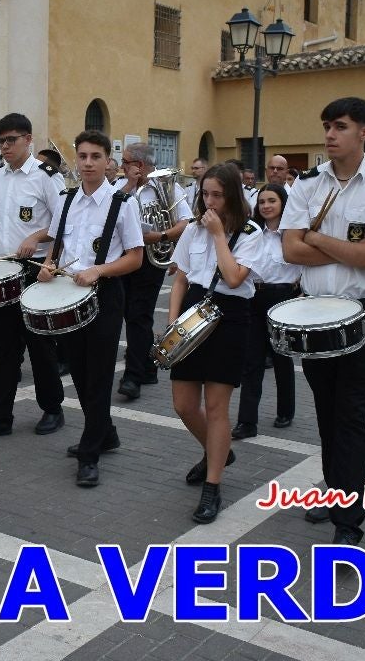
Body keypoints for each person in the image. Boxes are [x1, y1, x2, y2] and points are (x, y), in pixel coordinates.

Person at [280, 97, 365, 545]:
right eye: (326, 126)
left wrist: (317, 238)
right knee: (326, 412)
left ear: (364, 133)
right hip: (314, 315)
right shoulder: (307, 183)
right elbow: (290, 250)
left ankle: (348, 521)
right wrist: (349, 249)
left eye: (340, 126)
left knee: (352, 414)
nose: (329, 134)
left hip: (361, 314)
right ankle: (336, 492)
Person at [38, 129, 143, 486]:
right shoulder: (67, 200)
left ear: (108, 161)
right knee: (80, 372)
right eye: (82, 156)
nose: (87, 163)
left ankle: (89, 453)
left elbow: (135, 258)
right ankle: (105, 432)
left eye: (95, 157)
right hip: (68, 294)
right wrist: (48, 266)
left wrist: (99, 270)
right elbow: (56, 248)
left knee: (98, 375)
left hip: (106, 294)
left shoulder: (123, 203)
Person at [168, 163, 262, 523]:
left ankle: (213, 485)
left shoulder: (250, 231)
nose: (210, 201)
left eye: (218, 195)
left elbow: (235, 278)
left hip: (230, 316)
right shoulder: (193, 229)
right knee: (183, 404)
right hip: (193, 312)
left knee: (217, 406)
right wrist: (172, 323)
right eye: (205, 194)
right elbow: (180, 279)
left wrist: (220, 235)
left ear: (232, 196)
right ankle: (219, 451)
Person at [0, 113, 67, 440]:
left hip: (35, 269)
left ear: (28, 139)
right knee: (3, 347)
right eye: (0, 142)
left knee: (39, 344)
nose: (5, 147)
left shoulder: (46, 176)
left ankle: (52, 408)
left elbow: (64, 222)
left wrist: (36, 237)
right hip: (3, 266)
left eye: (11, 140)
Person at [116, 142, 192, 399]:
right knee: (132, 314)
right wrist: (129, 186)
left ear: (138, 164)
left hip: (150, 260)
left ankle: (133, 377)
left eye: (125, 162)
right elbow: (108, 214)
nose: (121, 166)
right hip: (124, 258)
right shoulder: (119, 186)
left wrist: (161, 236)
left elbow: (185, 223)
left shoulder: (167, 186)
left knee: (139, 314)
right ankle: (148, 367)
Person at [234, 183, 301, 440]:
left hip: (283, 298)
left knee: (282, 357)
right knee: (252, 361)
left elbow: (305, 264)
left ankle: (285, 411)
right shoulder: (252, 232)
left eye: (272, 201)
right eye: (262, 202)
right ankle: (246, 421)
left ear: (283, 203)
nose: (266, 206)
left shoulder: (293, 233)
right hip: (254, 296)